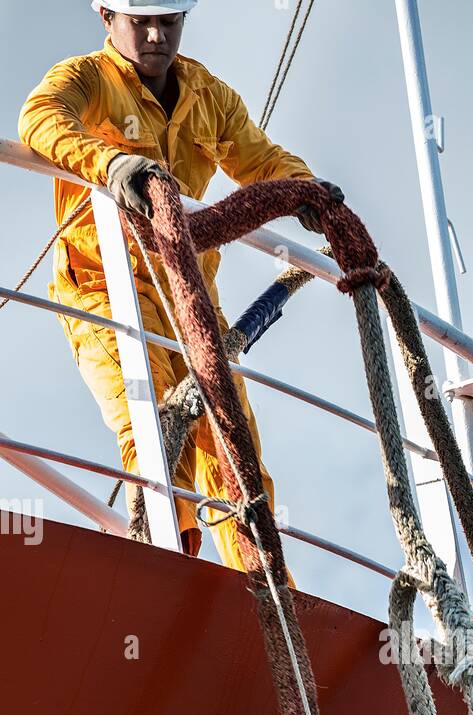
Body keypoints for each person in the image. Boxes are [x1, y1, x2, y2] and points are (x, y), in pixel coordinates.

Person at [19, 0, 342, 571]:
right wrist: (114, 165)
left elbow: (258, 157)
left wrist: (305, 190)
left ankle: (265, 594)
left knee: (236, 456)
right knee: (151, 430)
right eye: (139, 21)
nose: (153, 35)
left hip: (190, 298)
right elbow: (41, 117)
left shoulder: (207, 97)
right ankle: (168, 574)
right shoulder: (86, 80)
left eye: (167, 22)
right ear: (105, 17)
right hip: (104, 290)